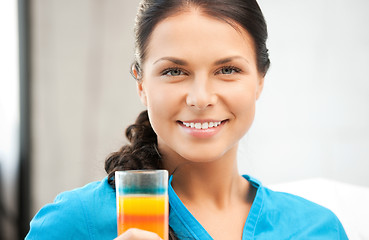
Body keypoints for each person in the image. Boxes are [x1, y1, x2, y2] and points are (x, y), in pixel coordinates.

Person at [26, 0, 348, 239]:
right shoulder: (72, 224)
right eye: (174, 72)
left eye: (227, 70)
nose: (201, 98)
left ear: (260, 79)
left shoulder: (318, 229)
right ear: (141, 84)